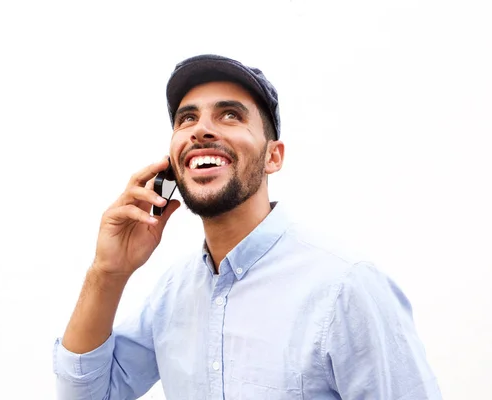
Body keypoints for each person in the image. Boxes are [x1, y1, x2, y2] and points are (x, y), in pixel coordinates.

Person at [52, 54, 442, 399]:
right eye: (187, 118)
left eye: (230, 115)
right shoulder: (173, 294)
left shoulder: (346, 287)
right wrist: (107, 273)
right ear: (172, 163)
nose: (200, 130)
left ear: (273, 157)